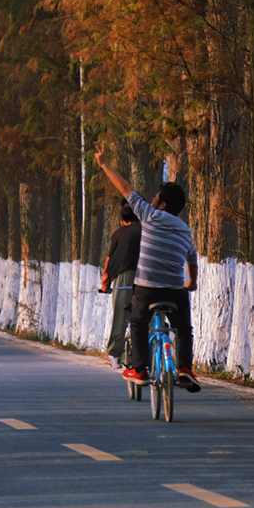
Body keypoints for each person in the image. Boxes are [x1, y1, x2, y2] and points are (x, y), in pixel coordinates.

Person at [94, 143, 201, 392]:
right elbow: (192, 260)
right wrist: (191, 283)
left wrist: (104, 164)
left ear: (162, 205)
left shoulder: (149, 216)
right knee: (184, 327)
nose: (150, 200)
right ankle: (185, 367)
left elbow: (125, 188)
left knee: (139, 322)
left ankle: (140, 369)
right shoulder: (185, 231)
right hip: (175, 290)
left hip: (147, 289)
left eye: (155, 198)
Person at [101, 204, 141, 368]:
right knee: (146, 315)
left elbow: (109, 260)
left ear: (122, 221)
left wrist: (105, 284)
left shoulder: (118, 233)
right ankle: (147, 352)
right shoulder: (145, 229)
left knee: (120, 315)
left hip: (123, 277)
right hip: (144, 275)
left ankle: (115, 355)